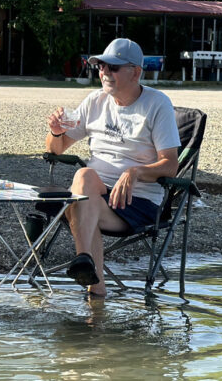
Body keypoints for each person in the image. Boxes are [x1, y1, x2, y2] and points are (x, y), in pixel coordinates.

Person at [45, 38, 180, 298]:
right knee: (84, 178)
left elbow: (171, 165)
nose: (105, 72)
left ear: (136, 72)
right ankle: (89, 274)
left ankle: (92, 282)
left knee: (81, 199)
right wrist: (55, 131)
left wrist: (135, 171)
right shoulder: (95, 101)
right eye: (101, 66)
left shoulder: (157, 104)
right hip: (95, 194)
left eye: (113, 68)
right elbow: (55, 149)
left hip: (136, 201)